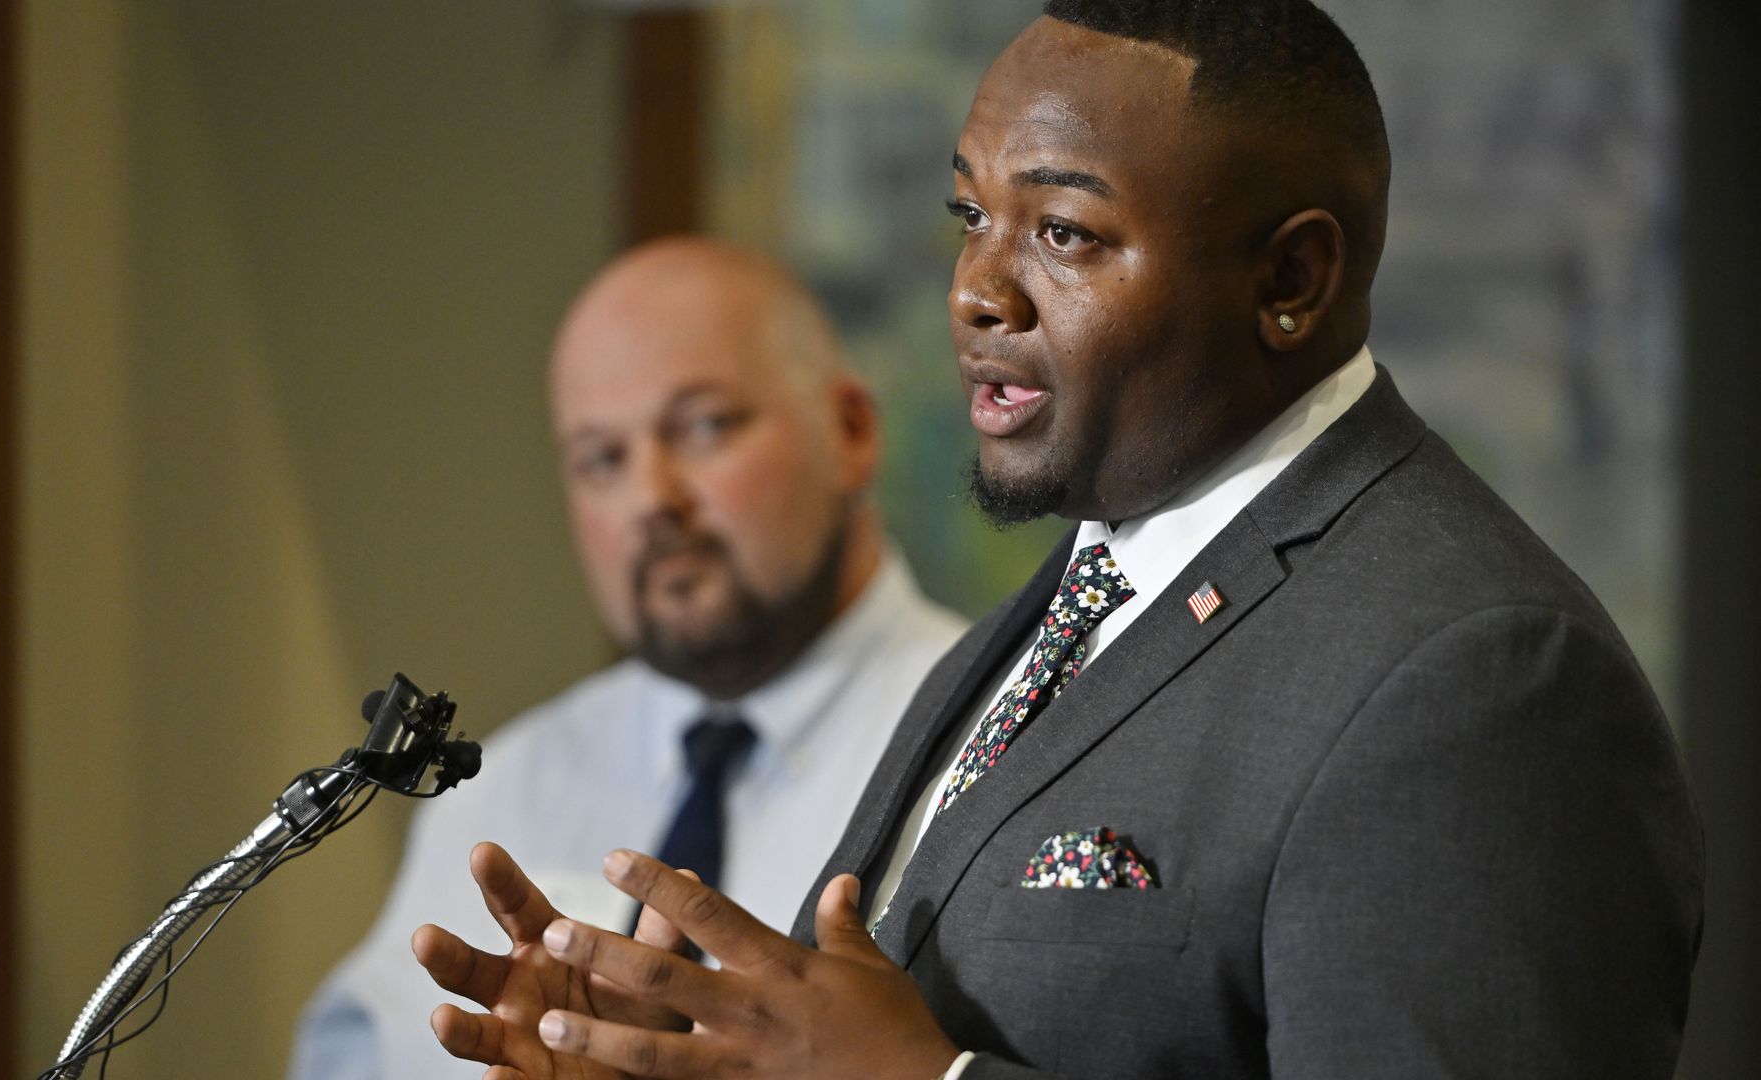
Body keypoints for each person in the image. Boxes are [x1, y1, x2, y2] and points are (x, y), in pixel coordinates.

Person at [409, 3, 1706, 1078]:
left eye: (1066, 233)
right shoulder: (1077, 592)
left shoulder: (1478, 681)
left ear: (1290, 283)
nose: (977, 290)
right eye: (971, 212)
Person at [287, 237, 968, 1078]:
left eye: (707, 426)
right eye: (602, 459)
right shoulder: (499, 792)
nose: (653, 498)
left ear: (852, 430)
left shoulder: (995, 742)